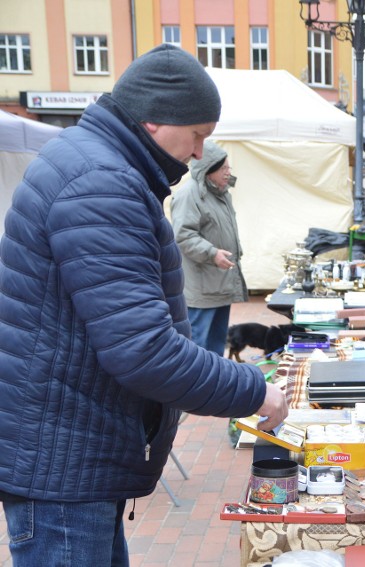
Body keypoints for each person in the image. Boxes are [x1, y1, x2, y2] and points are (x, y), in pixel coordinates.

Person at [0, 44, 287, 565]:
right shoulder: (100, 183)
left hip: (72, 448)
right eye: (198, 134)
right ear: (155, 121)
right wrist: (254, 390)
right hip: (65, 458)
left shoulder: (99, 166)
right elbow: (143, 349)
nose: (201, 152)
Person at [171, 140, 247, 356]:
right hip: (201, 288)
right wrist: (212, 253)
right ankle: (197, 389)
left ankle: (216, 387)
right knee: (199, 347)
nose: (228, 172)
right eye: (223, 168)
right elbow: (183, 235)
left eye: (228, 167)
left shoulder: (220, 193)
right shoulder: (190, 194)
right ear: (208, 169)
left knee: (215, 346)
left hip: (220, 284)